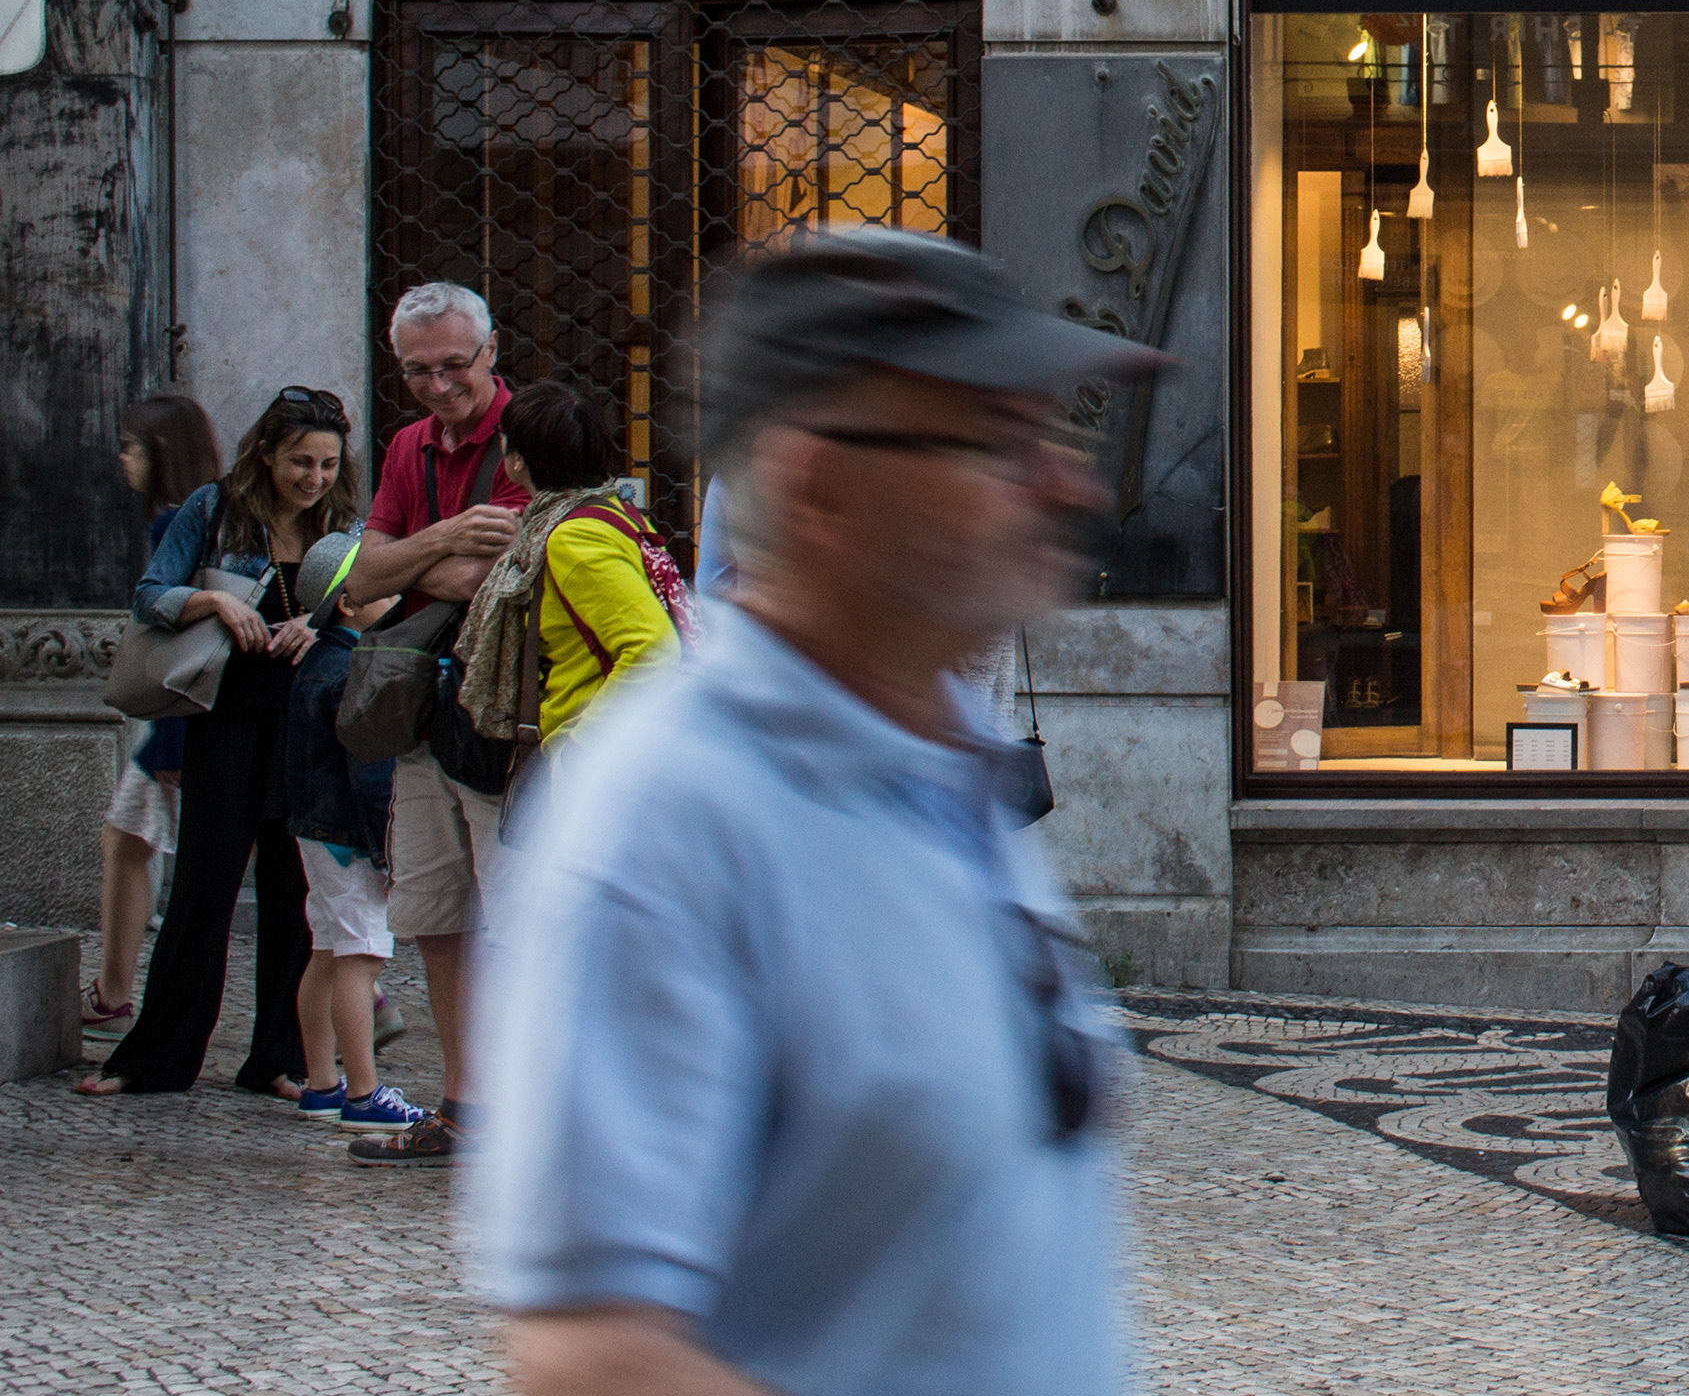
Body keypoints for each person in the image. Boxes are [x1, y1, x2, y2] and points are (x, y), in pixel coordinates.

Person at [468, 227, 1164, 1396]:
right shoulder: (673, 822)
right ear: (819, 485)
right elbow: (593, 1357)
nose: (1069, 486)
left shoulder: (944, 757)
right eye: (999, 444)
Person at [80, 386, 354, 1098]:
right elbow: (151, 594)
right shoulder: (214, 509)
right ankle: (155, 1060)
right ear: (265, 454)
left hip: (306, 726)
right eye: (301, 462)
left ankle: (279, 1060)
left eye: (327, 464)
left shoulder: (341, 526)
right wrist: (215, 600)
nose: (315, 478)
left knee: (295, 896)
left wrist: (322, 625)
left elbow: (369, 610)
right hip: (224, 719)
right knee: (203, 890)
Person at [339, 278, 532, 1169]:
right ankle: (464, 1110)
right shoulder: (408, 445)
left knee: (518, 920)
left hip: (505, 720)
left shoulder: (530, 436)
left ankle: (530, 1119)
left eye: (455, 364)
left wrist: (405, 560)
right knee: (438, 917)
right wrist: (450, 538)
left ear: (491, 351)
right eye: (418, 371)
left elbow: (510, 573)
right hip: (420, 718)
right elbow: (359, 578)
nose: (439, 384)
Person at [87, 393, 221, 1040]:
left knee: (128, 843)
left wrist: (167, 743)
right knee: (132, 841)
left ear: (160, 451)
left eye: (131, 446)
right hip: (202, 716)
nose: (123, 459)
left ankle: (113, 996)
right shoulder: (217, 515)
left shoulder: (177, 523)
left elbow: (180, 637)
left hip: (184, 717)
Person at [287, 519, 425, 1134]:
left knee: (327, 952)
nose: (395, 596)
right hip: (349, 839)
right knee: (360, 957)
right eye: (385, 587)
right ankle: (364, 1094)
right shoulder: (352, 671)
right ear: (349, 602)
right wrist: (386, 853)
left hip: (319, 833)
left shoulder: (317, 663)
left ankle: (322, 1083)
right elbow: (368, 776)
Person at [497, 377, 688, 760]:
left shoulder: (573, 537)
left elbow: (654, 649)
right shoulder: (615, 513)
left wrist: (579, 753)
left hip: (595, 757)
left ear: (517, 460)